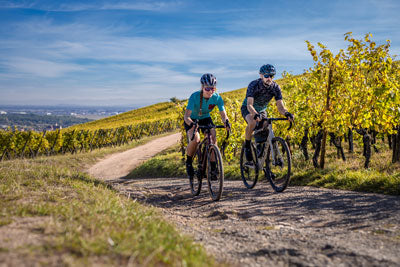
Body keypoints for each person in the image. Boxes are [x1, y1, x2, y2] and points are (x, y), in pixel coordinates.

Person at [241, 64, 294, 162]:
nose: (269, 78)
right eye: (266, 76)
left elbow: (280, 106)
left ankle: (265, 164)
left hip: (261, 110)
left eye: (271, 76)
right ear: (261, 75)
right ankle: (247, 145)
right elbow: (249, 104)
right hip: (248, 108)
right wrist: (255, 114)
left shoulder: (275, 87)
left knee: (265, 128)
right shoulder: (254, 85)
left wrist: (287, 113)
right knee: (252, 123)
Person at [184, 73, 231, 178]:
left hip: (205, 118)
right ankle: (188, 162)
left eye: (213, 89)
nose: (210, 91)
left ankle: (213, 168)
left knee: (213, 138)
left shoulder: (217, 98)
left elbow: (223, 115)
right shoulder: (195, 96)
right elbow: (186, 116)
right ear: (202, 87)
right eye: (207, 89)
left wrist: (226, 122)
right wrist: (192, 124)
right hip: (192, 119)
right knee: (196, 139)